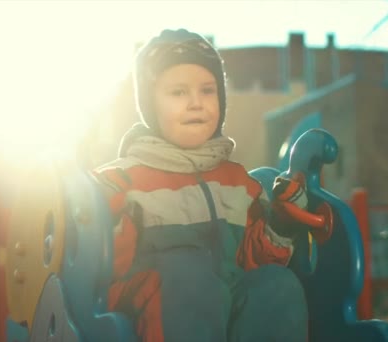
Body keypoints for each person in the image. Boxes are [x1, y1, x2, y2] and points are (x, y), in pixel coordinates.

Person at [93, 28, 312, 342]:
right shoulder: (124, 181)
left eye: (208, 90)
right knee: (188, 273)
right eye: (178, 93)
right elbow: (102, 271)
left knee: (277, 283)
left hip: (228, 305)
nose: (196, 103)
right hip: (156, 314)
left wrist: (280, 223)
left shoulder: (238, 183)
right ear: (150, 106)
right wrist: (101, 215)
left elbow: (254, 259)